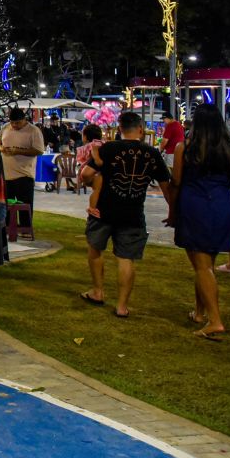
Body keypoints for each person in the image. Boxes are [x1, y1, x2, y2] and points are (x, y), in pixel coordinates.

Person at [78, 110, 170, 319]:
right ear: (140, 130)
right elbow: (166, 186)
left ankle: (98, 291)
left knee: (95, 249)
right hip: (133, 213)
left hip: (103, 211)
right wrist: (173, 210)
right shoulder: (152, 153)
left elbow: (86, 174)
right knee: (126, 259)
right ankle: (121, 306)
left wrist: (94, 180)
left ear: (120, 129)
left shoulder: (108, 148)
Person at [169, 105, 230, 338]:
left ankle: (215, 320)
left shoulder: (185, 148)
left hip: (194, 206)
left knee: (202, 266)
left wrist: (173, 211)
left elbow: (176, 182)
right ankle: (199, 312)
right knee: (206, 266)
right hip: (222, 206)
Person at [0, 106, 45, 215]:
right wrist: (1, 148)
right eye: (12, 122)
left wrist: (18, 151)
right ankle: (7, 225)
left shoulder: (34, 131)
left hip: (24, 175)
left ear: (24, 119)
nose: (14, 125)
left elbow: (39, 150)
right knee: (6, 209)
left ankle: (25, 225)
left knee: (24, 208)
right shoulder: (5, 127)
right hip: (6, 174)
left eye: (17, 123)